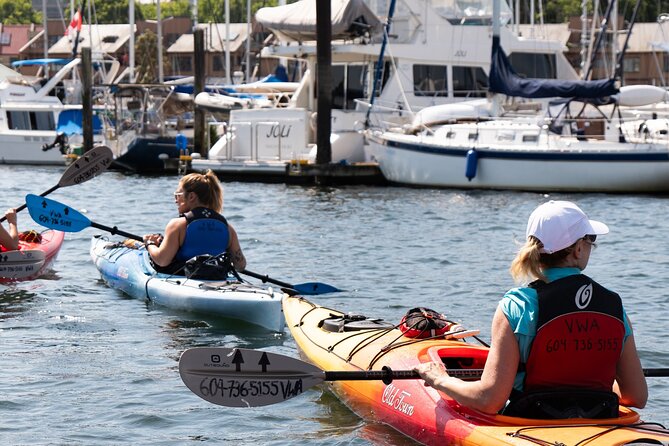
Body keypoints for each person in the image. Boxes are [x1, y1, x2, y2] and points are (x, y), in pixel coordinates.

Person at [414, 200, 648, 417]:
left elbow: (489, 400)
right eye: (590, 241)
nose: (591, 247)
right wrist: (595, 390)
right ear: (577, 248)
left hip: (532, 421)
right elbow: (636, 396)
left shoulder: (517, 305)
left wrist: (440, 379)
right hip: (599, 419)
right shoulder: (614, 307)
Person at [143, 170, 246, 274]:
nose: (176, 200)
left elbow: (162, 260)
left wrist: (149, 243)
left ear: (191, 196)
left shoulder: (178, 225)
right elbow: (240, 265)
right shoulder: (227, 227)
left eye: (178, 195)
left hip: (185, 280)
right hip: (217, 278)